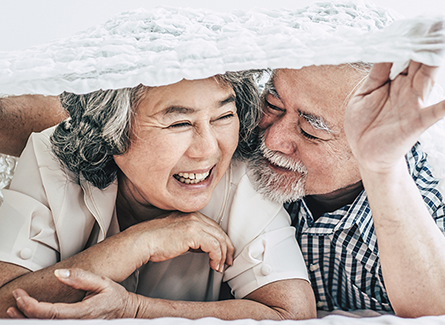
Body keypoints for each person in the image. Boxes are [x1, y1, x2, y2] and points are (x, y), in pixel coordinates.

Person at [0, 71, 316, 319]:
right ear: (112, 134)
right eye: (179, 123)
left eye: (223, 117)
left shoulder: (246, 174)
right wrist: (138, 243)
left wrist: (135, 309)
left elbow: (292, 314)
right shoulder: (49, 156)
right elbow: (5, 303)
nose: (209, 149)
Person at [247, 61, 445, 317]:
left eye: (310, 132)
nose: (273, 139)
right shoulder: (239, 143)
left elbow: (437, 313)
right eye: (273, 105)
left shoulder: (430, 200)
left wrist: (382, 171)